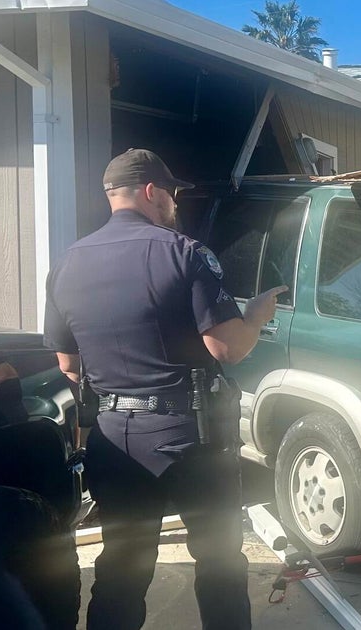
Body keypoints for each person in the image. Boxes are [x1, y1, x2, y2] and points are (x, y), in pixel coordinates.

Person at [43, 148, 286, 630]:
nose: (175, 204)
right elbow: (228, 348)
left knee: (122, 568)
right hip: (190, 439)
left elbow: (69, 366)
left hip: (114, 439)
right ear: (153, 192)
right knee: (219, 563)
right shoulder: (185, 252)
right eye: (172, 194)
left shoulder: (66, 264)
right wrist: (255, 315)